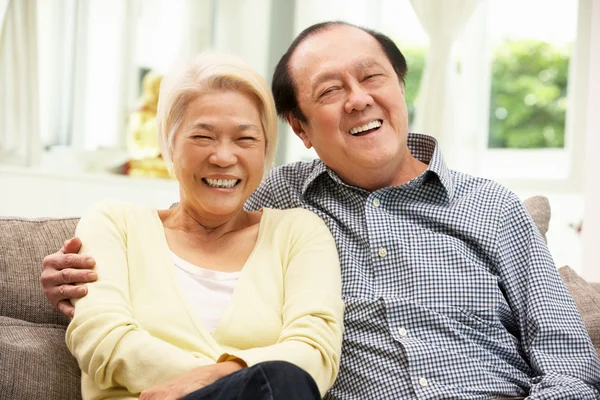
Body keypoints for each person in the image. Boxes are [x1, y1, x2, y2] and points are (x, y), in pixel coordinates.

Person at [41, 21, 600, 400]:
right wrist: (85, 271)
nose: (358, 98)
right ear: (300, 130)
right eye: (329, 90)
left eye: (372, 76)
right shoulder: (280, 202)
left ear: (401, 88)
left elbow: (571, 362)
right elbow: (197, 215)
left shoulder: (493, 210)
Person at [54, 51, 344, 400]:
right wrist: (239, 381)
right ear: (169, 145)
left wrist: (218, 378)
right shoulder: (115, 224)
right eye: (203, 137)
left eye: (245, 139)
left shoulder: (299, 232)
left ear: (266, 149)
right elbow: (102, 339)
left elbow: (315, 353)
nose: (223, 157)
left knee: (284, 380)